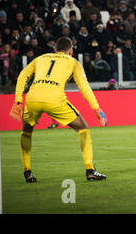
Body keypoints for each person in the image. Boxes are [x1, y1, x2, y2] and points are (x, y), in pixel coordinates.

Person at [9, 37, 108, 182]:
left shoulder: (41, 58)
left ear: (55, 49)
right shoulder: (73, 62)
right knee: (83, 129)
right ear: (70, 51)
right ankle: (90, 170)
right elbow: (84, 87)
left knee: (26, 133)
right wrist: (96, 109)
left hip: (32, 97)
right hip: (55, 98)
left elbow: (23, 76)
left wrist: (18, 100)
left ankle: (27, 172)